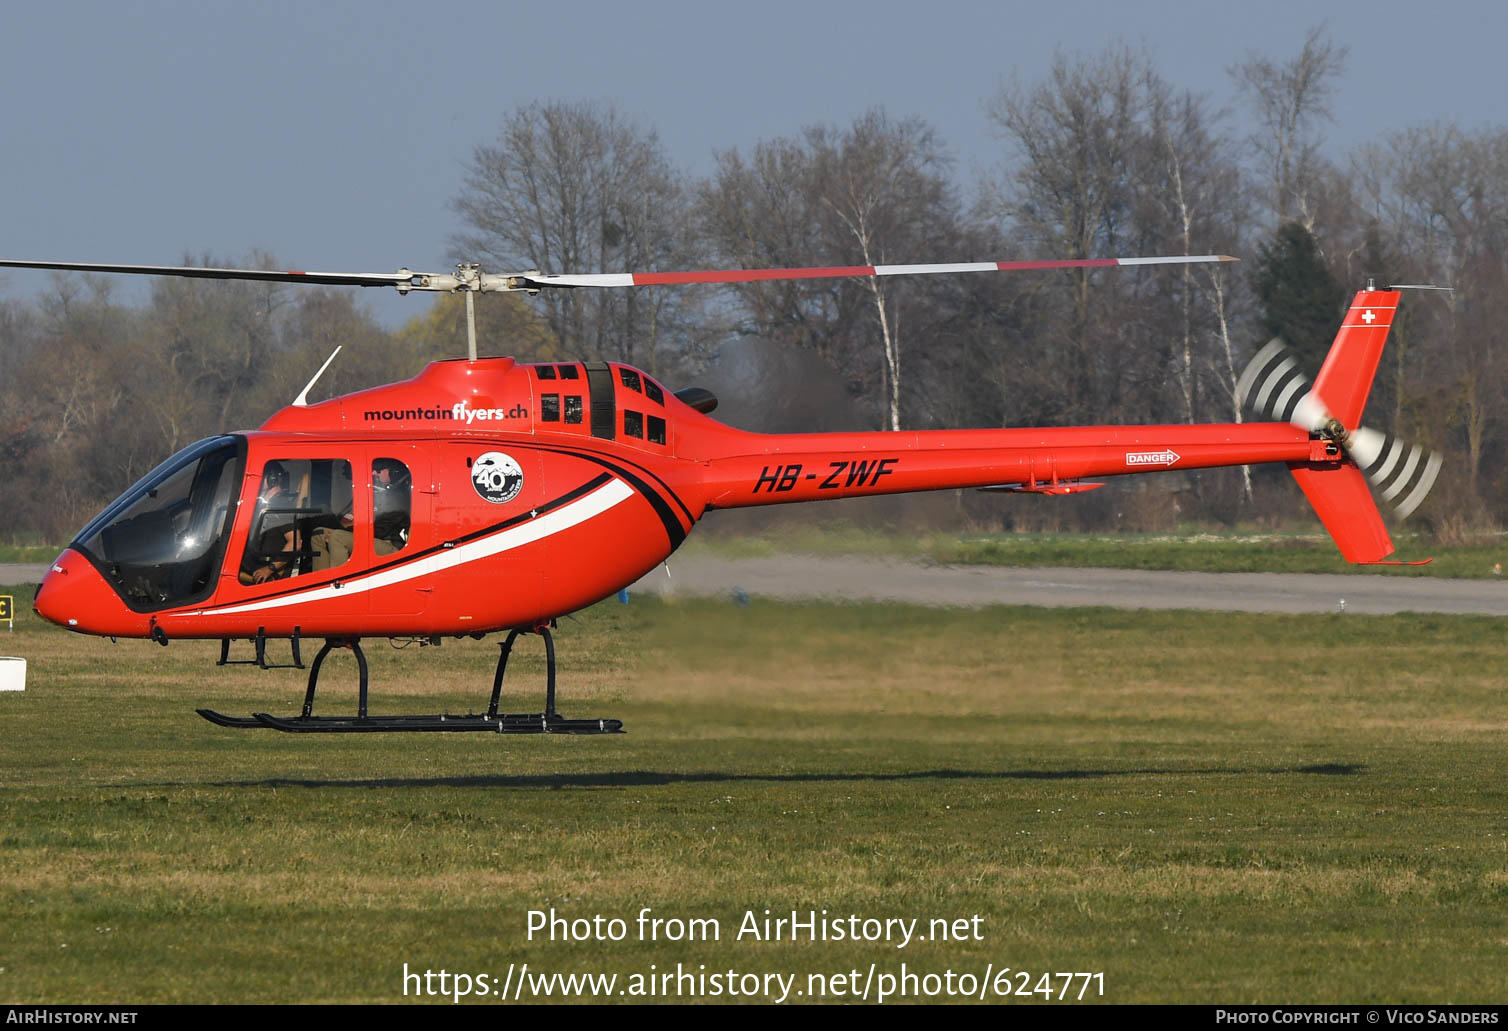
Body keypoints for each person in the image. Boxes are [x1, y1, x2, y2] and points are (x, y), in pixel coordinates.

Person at [239, 462, 297, 585]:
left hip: (263, 569)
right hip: (252, 561)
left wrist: (269, 569)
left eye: (260, 476)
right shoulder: (264, 505)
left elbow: (295, 543)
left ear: (272, 479)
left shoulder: (280, 504)